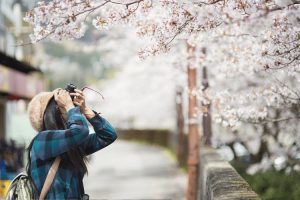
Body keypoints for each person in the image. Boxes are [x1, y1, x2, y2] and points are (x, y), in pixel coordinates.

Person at [26, 88, 117, 199]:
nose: (70, 108)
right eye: (60, 105)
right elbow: (80, 131)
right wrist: (69, 107)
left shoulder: (72, 144)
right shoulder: (42, 140)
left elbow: (108, 135)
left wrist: (85, 110)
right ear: (50, 114)